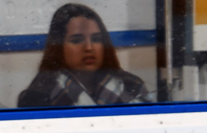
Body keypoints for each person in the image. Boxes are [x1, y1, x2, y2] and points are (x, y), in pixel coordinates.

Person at [17, 3, 153, 107]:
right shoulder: (37, 97)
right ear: (58, 47)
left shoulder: (132, 86)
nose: (89, 48)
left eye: (96, 39)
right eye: (77, 40)